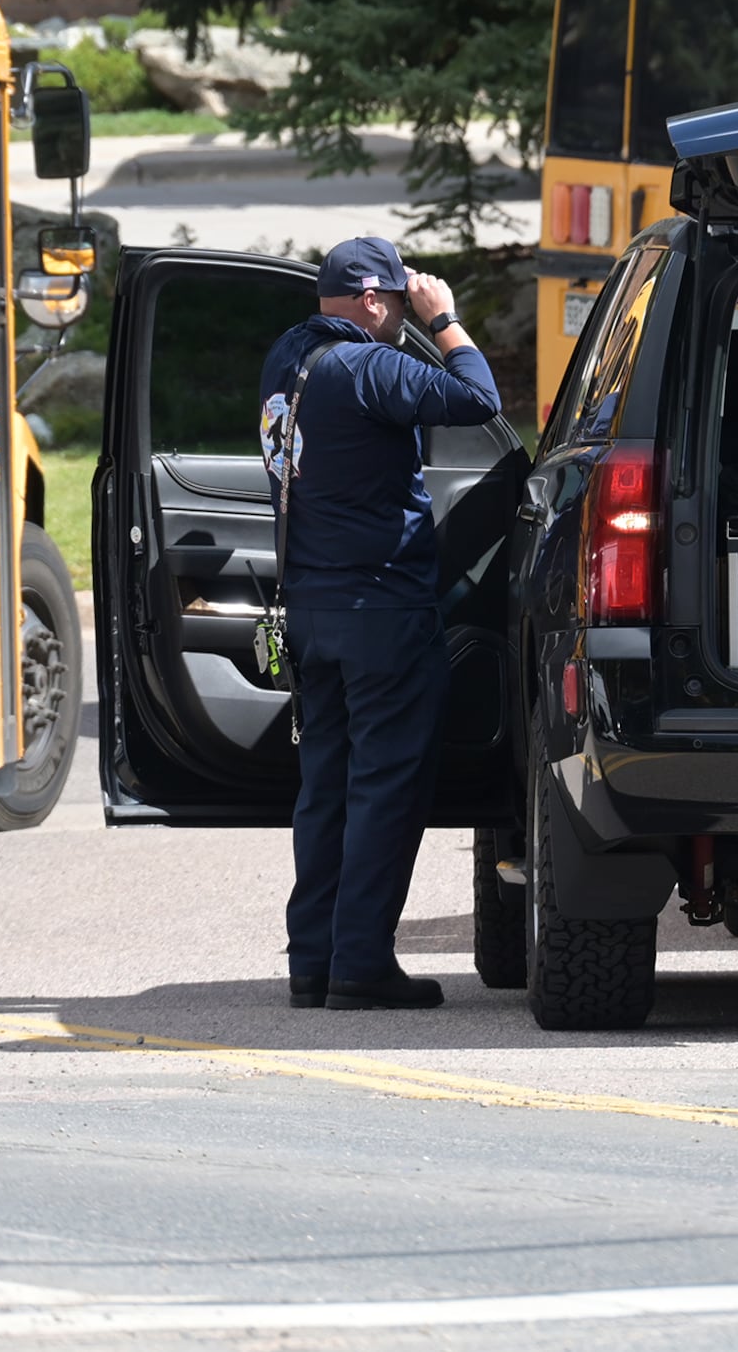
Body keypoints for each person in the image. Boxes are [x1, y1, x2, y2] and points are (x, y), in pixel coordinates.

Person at [257, 236, 502, 1010]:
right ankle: (360, 964)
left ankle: (315, 960)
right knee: (385, 790)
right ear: (371, 301)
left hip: (314, 612)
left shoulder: (286, 360)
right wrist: (447, 321)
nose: (404, 314)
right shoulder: (368, 366)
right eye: (399, 303)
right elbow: (478, 401)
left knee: (324, 790)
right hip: (383, 613)